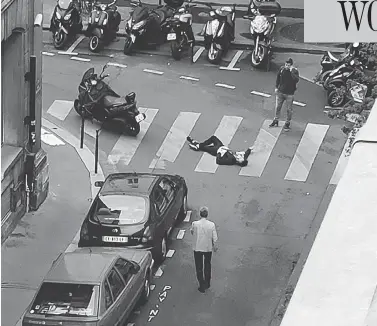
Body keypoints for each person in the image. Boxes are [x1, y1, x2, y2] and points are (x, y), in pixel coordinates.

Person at [190, 206, 218, 293]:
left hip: (197, 248)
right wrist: (214, 246)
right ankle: (207, 282)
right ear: (207, 214)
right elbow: (215, 238)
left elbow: (192, 232)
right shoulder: (211, 225)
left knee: (199, 267)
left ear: (200, 214)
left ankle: (201, 285)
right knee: (207, 264)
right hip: (207, 248)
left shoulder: (195, 224)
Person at [269, 58, 300, 131]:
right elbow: (278, 78)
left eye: (288, 65)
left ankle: (287, 123)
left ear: (291, 65)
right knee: (278, 107)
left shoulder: (294, 71)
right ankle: (276, 120)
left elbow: (296, 80)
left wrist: (291, 71)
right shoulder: (282, 69)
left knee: (289, 109)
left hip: (290, 94)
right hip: (281, 92)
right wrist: (276, 87)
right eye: (286, 65)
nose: (287, 66)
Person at [186, 136, 252, 167]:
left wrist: (220, 153)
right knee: (213, 138)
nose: (241, 157)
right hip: (221, 146)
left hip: (216, 150)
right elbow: (246, 155)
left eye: (241, 158)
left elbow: (218, 161)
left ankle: (196, 145)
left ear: (239, 162)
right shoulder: (239, 158)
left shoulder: (231, 160)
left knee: (205, 148)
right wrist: (250, 149)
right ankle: (198, 145)